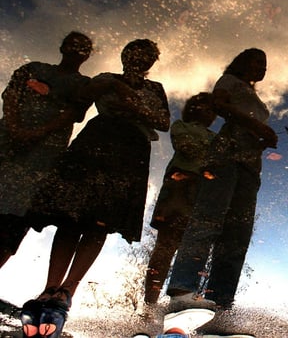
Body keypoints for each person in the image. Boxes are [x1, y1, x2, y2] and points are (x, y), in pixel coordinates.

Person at [24, 39, 170, 337]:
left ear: (152, 62)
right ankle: (49, 289)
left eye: (147, 56)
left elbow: (164, 122)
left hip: (131, 150)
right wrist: (109, 88)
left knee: (101, 223)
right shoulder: (105, 78)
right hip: (96, 142)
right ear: (124, 55)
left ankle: (67, 292)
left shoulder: (155, 89)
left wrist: (131, 103)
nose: (140, 59)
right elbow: (80, 98)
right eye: (134, 54)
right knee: (70, 216)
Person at [166, 48, 277, 319]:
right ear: (241, 62)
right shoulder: (229, 82)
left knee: (238, 231)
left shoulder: (255, 97)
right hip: (228, 149)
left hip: (250, 159)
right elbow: (218, 104)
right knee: (209, 217)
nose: (261, 67)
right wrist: (256, 125)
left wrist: (261, 138)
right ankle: (183, 289)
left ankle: (221, 300)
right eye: (256, 61)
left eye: (265, 64)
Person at [0, 31, 93, 268]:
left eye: (83, 48)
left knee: (14, 220)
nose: (76, 50)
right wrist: (14, 127)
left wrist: (38, 133)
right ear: (63, 47)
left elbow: (73, 114)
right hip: (6, 147)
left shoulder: (83, 84)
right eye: (73, 45)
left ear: (88, 56)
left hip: (41, 161)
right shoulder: (33, 68)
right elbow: (10, 96)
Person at [144, 92, 217, 304]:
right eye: (204, 107)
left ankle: (181, 297)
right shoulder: (181, 126)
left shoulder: (214, 137)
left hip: (200, 192)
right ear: (193, 108)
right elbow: (186, 147)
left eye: (212, 110)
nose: (208, 113)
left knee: (193, 248)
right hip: (178, 189)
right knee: (165, 245)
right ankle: (150, 300)